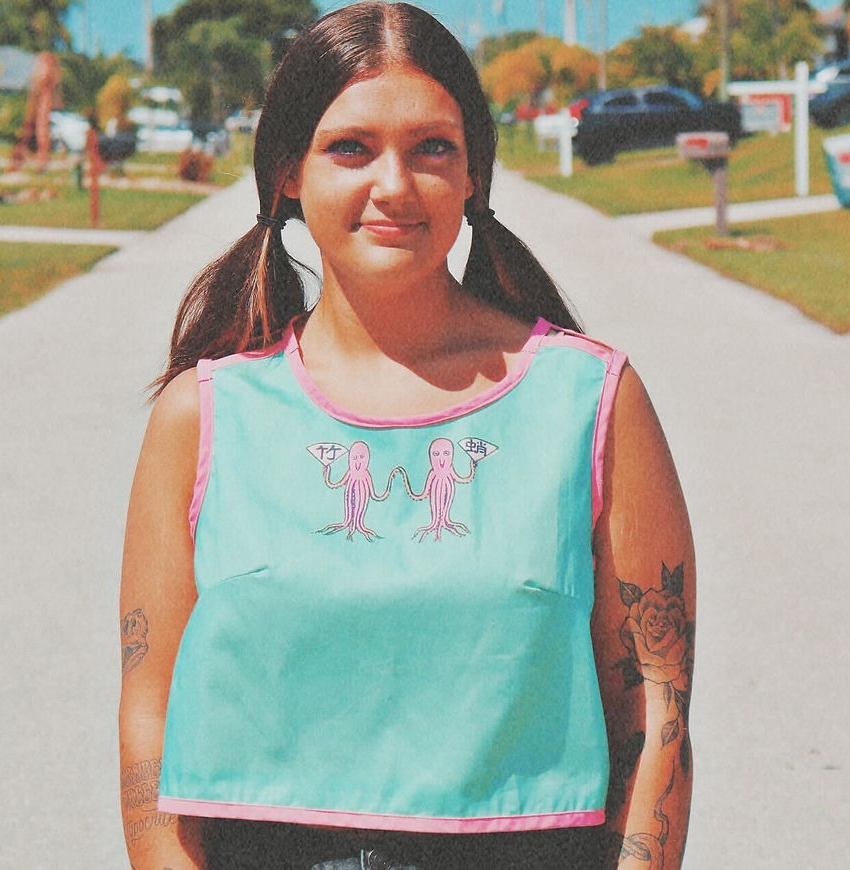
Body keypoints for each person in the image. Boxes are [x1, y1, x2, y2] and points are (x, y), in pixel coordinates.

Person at [118, 3, 695, 869]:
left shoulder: (591, 400)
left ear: (473, 177)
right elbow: (148, 716)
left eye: (432, 148)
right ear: (287, 172)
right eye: (351, 148)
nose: (394, 185)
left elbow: (653, 714)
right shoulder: (203, 415)